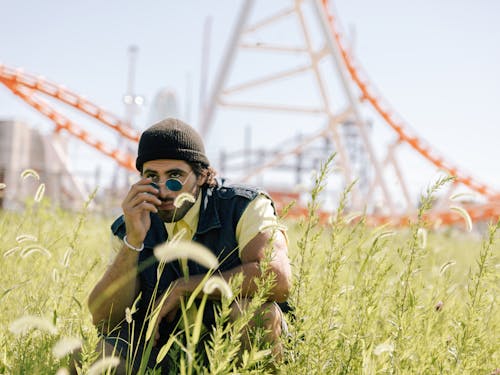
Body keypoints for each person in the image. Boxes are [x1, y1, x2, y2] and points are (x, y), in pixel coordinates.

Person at [87, 118, 292, 373]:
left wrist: (187, 287)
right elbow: (105, 319)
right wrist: (133, 242)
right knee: (101, 353)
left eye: (175, 177)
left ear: (203, 175)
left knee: (254, 313)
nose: (163, 190)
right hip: (165, 349)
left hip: (229, 344)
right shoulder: (130, 224)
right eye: (152, 178)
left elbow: (278, 278)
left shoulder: (243, 206)